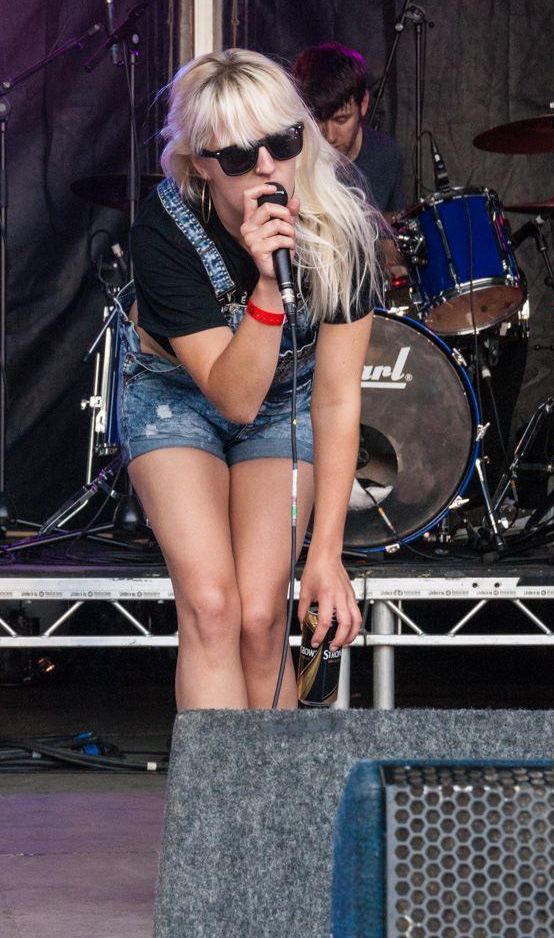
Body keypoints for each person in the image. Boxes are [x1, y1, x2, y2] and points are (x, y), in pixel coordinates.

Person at [115, 48, 384, 712]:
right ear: (200, 165)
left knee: (263, 617)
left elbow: (338, 395)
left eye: (283, 142)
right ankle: (216, 814)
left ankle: (275, 812)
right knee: (211, 604)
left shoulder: (342, 229)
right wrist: (268, 282)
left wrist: (328, 553)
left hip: (286, 403)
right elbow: (232, 397)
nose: (267, 167)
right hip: (177, 399)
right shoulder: (164, 230)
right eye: (238, 157)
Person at [292, 41, 406, 280]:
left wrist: (394, 265)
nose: (329, 136)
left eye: (341, 119)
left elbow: (389, 234)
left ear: (363, 104)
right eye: (317, 121)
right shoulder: (290, 159)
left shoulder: (387, 155)